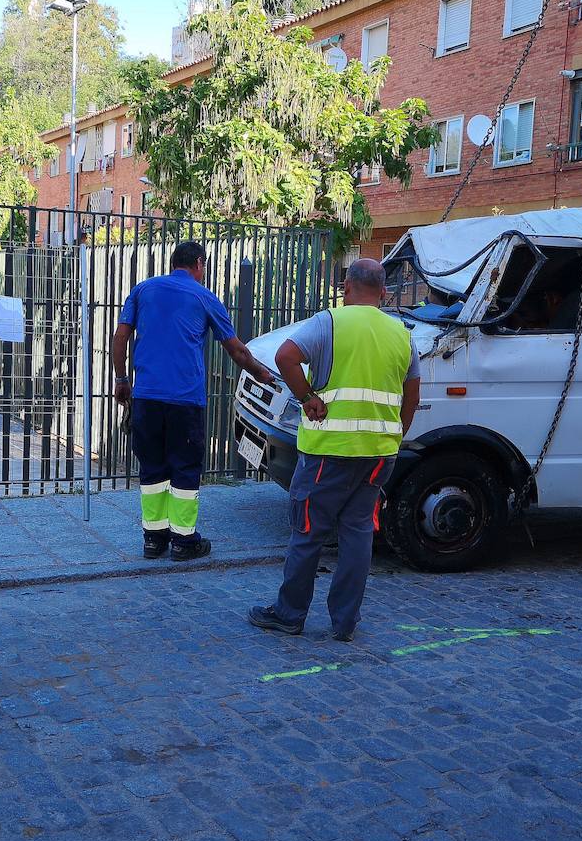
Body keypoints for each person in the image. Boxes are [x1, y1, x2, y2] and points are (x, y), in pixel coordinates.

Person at [248, 259, 420, 641]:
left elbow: (284, 357)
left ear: (346, 287)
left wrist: (307, 397)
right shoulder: (402, 334)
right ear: (384, 293)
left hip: (329, 452)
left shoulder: (329, 323)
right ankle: (345, 622)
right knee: (358, 533)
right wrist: (395, 434)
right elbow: (412, 392)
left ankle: (289, 614)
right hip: (378, 455)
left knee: (308, 532)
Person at [112, 241, 277, 561]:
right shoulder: (205, 297)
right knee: (184, 468)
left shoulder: (143, 290)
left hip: (146, 396)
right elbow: (237, 350)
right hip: (185, 400)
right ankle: (184, 541)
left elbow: (120, 338)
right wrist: (262, 374)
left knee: (152, 467)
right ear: (199, 263)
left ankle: (153, 539)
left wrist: (121, 380)